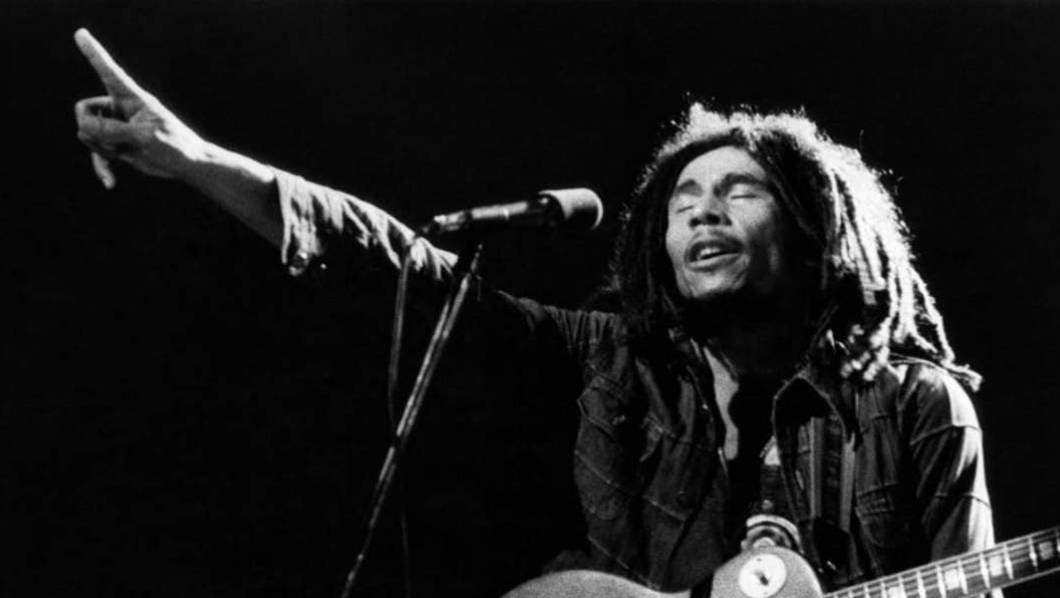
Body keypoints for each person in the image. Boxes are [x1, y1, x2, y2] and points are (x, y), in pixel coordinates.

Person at [72, 28, 998, 597]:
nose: (702, 213)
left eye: (740, 193)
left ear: (814, 231)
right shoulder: (612, 362)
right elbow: (395, 265)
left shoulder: (915, 406)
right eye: (682, 202)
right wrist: (199, 161)